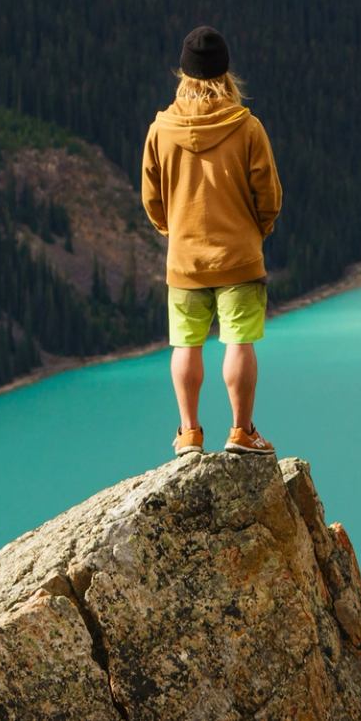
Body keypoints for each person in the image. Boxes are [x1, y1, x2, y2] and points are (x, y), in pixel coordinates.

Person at [140, 26, 283, 458]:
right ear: (226, 75)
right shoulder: (246, 128)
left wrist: (175, 232)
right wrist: (257, 230)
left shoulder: (160, 130)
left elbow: (151, 197)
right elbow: (269, 194)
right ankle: (241, 432)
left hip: (185, 260)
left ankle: (188, 433)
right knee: (238, 341)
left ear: (183, 75)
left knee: (186, 344)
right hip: (239, 255)